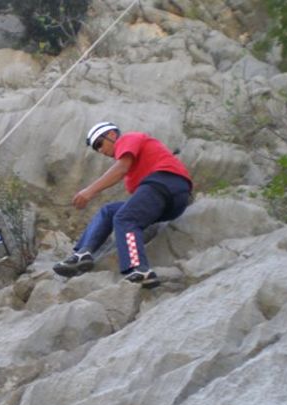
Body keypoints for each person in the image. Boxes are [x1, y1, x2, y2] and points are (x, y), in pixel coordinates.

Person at [53, 122, 193, 288]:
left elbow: (121, 168)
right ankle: (82, 253)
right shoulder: (135, 171)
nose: (100, 150)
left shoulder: (128, 138)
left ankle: (139, 268)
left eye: (99, 144)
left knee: (125, 218)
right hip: (170, 202)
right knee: (109, 211)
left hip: (165, 182)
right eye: (96, 149)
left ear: (112, 135)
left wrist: (89, 191)